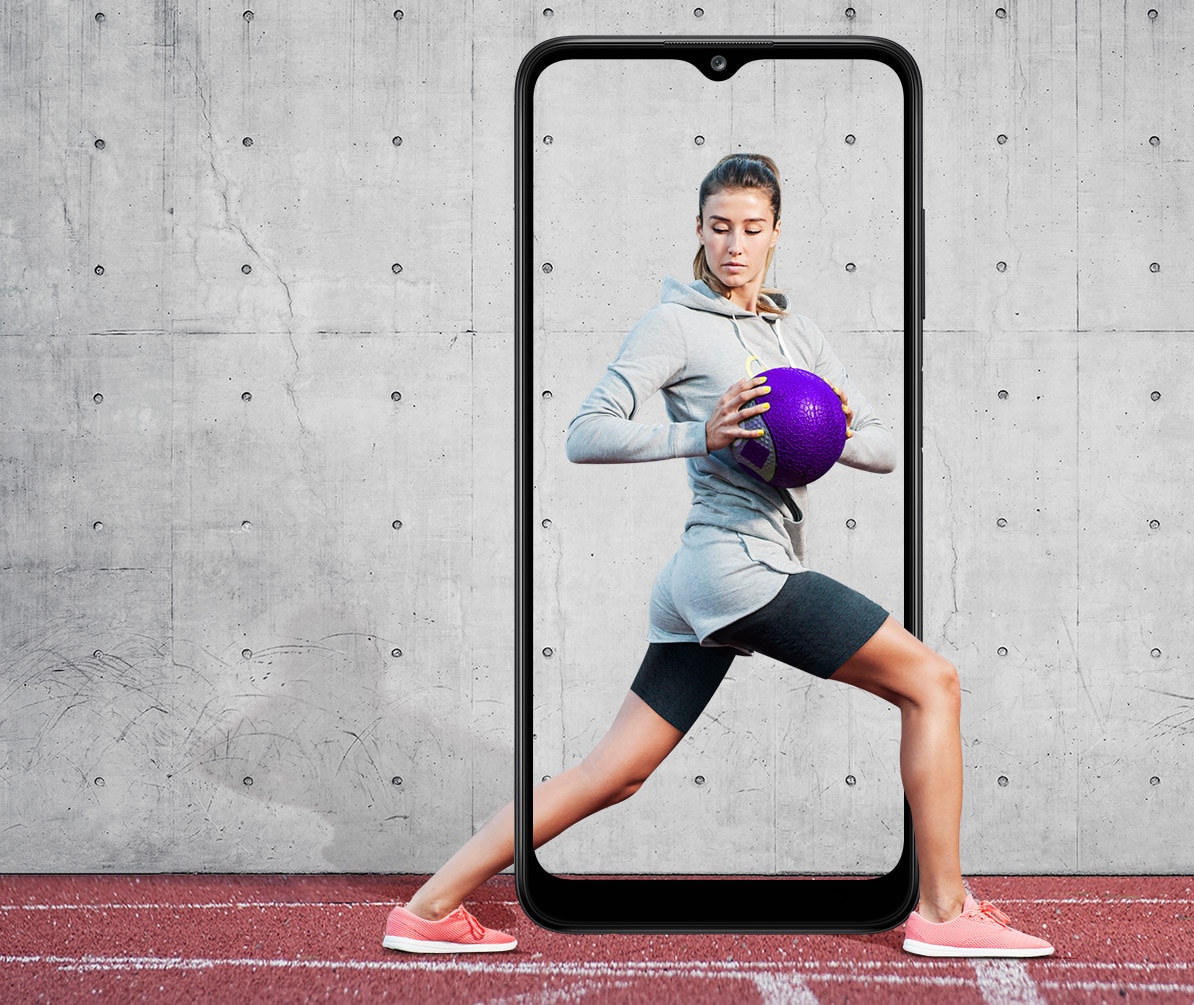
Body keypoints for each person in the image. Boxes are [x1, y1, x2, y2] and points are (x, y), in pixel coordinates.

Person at [381, 153, 1054, 959]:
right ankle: (945, 911)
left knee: (615, 772)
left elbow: (879, 449)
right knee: (932, 681)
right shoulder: (674, 324)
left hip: (703, 580)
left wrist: (823, 426)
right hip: (738, 571)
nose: (735, 244)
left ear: (776, 234)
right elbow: (584, 432)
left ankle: (427, 907)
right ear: (698, 230)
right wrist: (694, 434)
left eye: (752, 228)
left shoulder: (796, 333)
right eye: (719, 226)